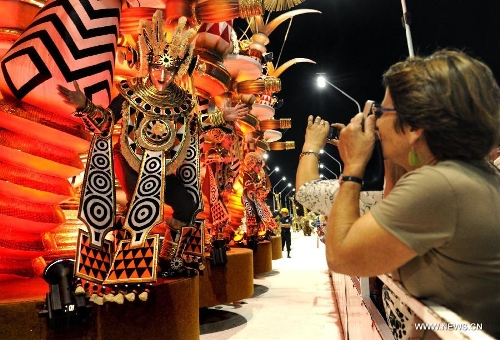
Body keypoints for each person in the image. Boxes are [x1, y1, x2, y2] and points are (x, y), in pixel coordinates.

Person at [301, 49, 500, 338]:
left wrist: (353, 164)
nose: (376, 123)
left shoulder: (437, 186)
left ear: (415, 127)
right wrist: (389, 155)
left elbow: (342, 256)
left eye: (381, 113)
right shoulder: (472, 175)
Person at [57, 12, 249, 280]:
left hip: (164, 169)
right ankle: (124, 263)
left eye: (168, 69)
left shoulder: (183, 100)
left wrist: (221, 117)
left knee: (190, 203)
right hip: (130, 160)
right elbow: (107, 121)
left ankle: (169, 258)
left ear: (176, 71)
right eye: (158, 68)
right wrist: (84, 106)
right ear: (149, 67)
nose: (162, 75)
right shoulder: (131, 92)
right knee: (143, 206)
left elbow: (195, 126)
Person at [241, 152, 277, 248]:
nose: (259, 168)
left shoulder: (257, 176)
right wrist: (260, 185)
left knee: (263, 216)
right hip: (249, 200)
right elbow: (249, 187)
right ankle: (251, 238)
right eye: (257, 166)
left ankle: (259, 235)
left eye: (259, 166)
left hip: (257, 200)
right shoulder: (246, 174)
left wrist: (264, 189)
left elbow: (259, 188)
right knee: (252, 219)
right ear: (252, 164)